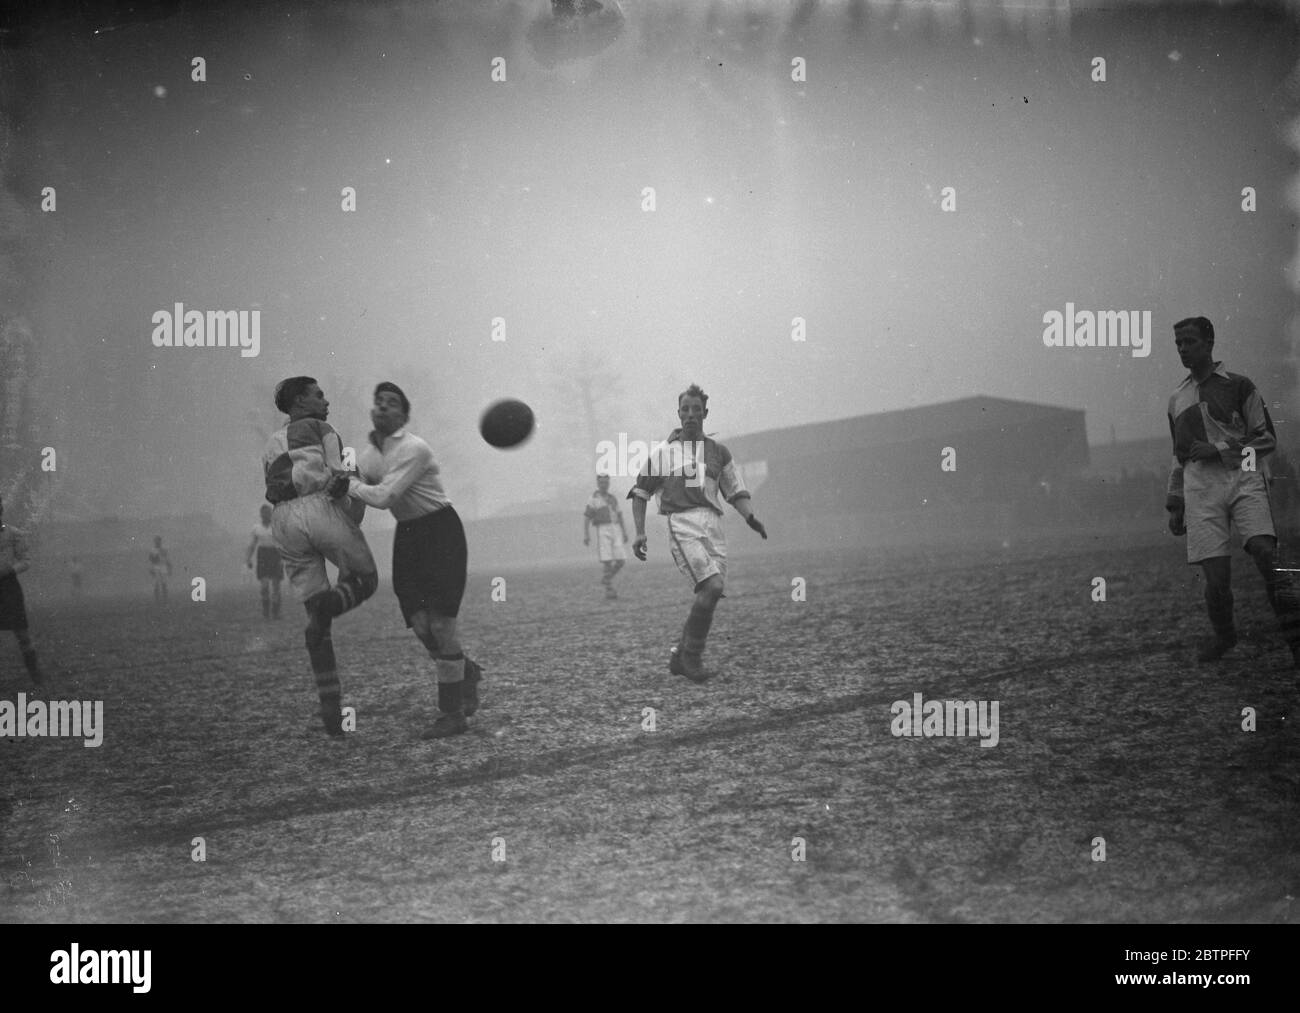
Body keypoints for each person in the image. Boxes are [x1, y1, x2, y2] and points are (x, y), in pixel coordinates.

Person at [346, 382, 483, 739]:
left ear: (404, 415)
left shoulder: (414, 448)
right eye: (378, 402)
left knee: (440, 625)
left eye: (392, 403)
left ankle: (452, 714)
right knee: (421, 627)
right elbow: (358, 505)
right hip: (407, 538)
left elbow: (385, 496)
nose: (383, 408)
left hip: (441, 533)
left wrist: (346, 485)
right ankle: (465, 671)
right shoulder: (366, 457)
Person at [1165, 316, 1300, 666]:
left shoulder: (1240, 386)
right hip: (1201, 491)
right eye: (1178, 343)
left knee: (1266, 555)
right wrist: (1175, 502)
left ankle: (1296, 639)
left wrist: (1221, 449)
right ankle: (1225, 635)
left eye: (1190, 341)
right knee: (1217, 579)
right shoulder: (1176, 399)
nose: (1182, 348)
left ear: (1209, 343)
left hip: (1243, 478)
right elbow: (1178, 457)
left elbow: (1267, 438)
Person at [263, 376, 379, 735]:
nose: (326, 400)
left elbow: (274, 487)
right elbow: (338, 480)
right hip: (317, 508)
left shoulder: (270, 443)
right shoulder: (322, 427)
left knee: (317, 621)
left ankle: (331, 711)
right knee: (365, 580)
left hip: (283, 521)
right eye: (318, 395)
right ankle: (330, 606)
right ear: (300, 402)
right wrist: (359, 490)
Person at [629, 384, 768, 682]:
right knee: (713, 587)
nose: (690, 415)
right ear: (678, 414)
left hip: (714, 525)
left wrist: (750, 517)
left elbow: (734, 489)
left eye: (696, 410)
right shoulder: (664, 454)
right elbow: (640, 493)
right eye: (685, 410)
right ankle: (691, 658)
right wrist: (639, 533)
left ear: (705, 413)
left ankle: (682, 656)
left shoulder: (718, 452)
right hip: (682, 523)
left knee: (711, 594)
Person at [0, 495, 44, 684]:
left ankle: (36, 675)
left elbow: (26, 561)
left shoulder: (13, 533)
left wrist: (10, 569)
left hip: (8, 586)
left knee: (21, 632)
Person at [583, 473, 628, 598]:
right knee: (607, 560)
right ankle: (609, 589)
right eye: (602, 483)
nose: (604, 485)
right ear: (598, 484)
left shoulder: (613, 498)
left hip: (616, 528)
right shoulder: (593, 498)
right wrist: (586, 535)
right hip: (603, 529)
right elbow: (587, 517)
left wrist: (624, 532)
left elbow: (619, 515)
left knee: (621, 560)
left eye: (606, 483)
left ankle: (606, 578)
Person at [245, 503, 283, 620]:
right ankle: (266, 611)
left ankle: (275, 612)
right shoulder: (256, 528)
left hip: (275, 555)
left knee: (276, 585)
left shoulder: (277, 526)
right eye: (264, 513)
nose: (266, 515)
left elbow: (284, 543)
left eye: (268, 513)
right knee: (264, 585)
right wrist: (248, 559)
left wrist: (285, 558)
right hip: (263, 556)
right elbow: (251, 545)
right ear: (261, 515)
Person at [148, 535, 172, 604]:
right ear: (154, 542)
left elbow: (167, 559)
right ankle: (157, 599)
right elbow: (151, 560)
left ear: (160, 541)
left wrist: (169, 568)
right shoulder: (152, 550)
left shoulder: (164, 549)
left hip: (163, 567)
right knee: (156, 584)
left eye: (158, 541)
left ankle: (165, 599)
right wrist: (151, 568)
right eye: (156, 541)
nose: (157, 542)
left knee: (164, 583)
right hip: (156, 567)